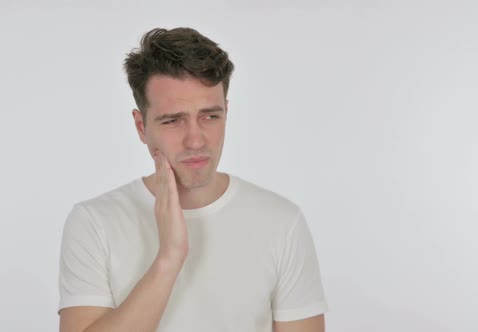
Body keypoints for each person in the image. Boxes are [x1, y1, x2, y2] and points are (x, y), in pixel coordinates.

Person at [57, 27, 328, 332]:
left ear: (227, 112)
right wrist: (170, 257)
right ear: (141, 126)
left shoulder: (282, 221)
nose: (196, 141)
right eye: (173, 120)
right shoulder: (95, 222)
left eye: (210, 116)